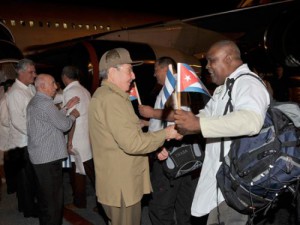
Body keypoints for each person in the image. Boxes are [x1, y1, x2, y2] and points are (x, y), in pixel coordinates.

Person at [174, 40, 270, 225]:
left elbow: (251, 121)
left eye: (211, 60)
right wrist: (182, 128)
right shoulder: (223, 88)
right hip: (219, 181)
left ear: (228, 58)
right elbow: (206, 115)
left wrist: (199, 125)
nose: (207, 66)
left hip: (236, 185)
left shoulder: (248, 83)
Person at [88, 47, 182, 225]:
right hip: (122, 186)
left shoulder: (106, 96)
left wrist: (154, 148)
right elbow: (132, 143)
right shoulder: (112, 100)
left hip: (118, 182)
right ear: (112, 71)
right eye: (129, 70)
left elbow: (123, 138)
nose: (133, 76)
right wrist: (166, 133)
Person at [138, 56, 209, 225]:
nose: (154, 75)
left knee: (161, 205)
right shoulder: (174, 87)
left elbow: (181, 117)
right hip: (179, 150)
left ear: (165, 69)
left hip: (171, 151)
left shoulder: (175, 87)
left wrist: (151, 113)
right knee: (183, 201)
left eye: (156, 70)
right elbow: (169, 118)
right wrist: (148, 123)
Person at [27, 74, 80, 225]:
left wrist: (66, 107)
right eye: (52, 83)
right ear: (42, 86)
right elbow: (64, 125)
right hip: (48, 159)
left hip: (41, 157)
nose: (56, 86)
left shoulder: (37, 101)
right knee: (53, 202)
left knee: (45, 199)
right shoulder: (45, 104)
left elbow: (52, 119)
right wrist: (73, 115)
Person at [6, 58, 38, 217]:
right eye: (32, 72)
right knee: (25, 179)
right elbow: (18, 121)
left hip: (28, 140)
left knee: (28, 178)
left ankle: (25, 205)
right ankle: (29, 210)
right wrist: (37, 134)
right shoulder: (14, 93)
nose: (35, 74)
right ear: (21, 72)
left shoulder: (30, 88)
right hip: (21, 142)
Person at [61, 66, 96, 210]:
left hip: (76, 138)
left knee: (78, 172)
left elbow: (72, 118)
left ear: (64, 77)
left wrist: (69, 141)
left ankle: (79, 202)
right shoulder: (84, 90)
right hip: (88, 136)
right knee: (91, 172)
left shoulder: (69, 91)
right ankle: (102, 203)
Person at [0, 79, 14, 191]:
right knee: (9, 163)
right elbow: (5, 120)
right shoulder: (5, 101)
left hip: (8, 136)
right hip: (7, 136)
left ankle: (11, 185)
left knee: (9, 162)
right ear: (9, 88)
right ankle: (11, 186)